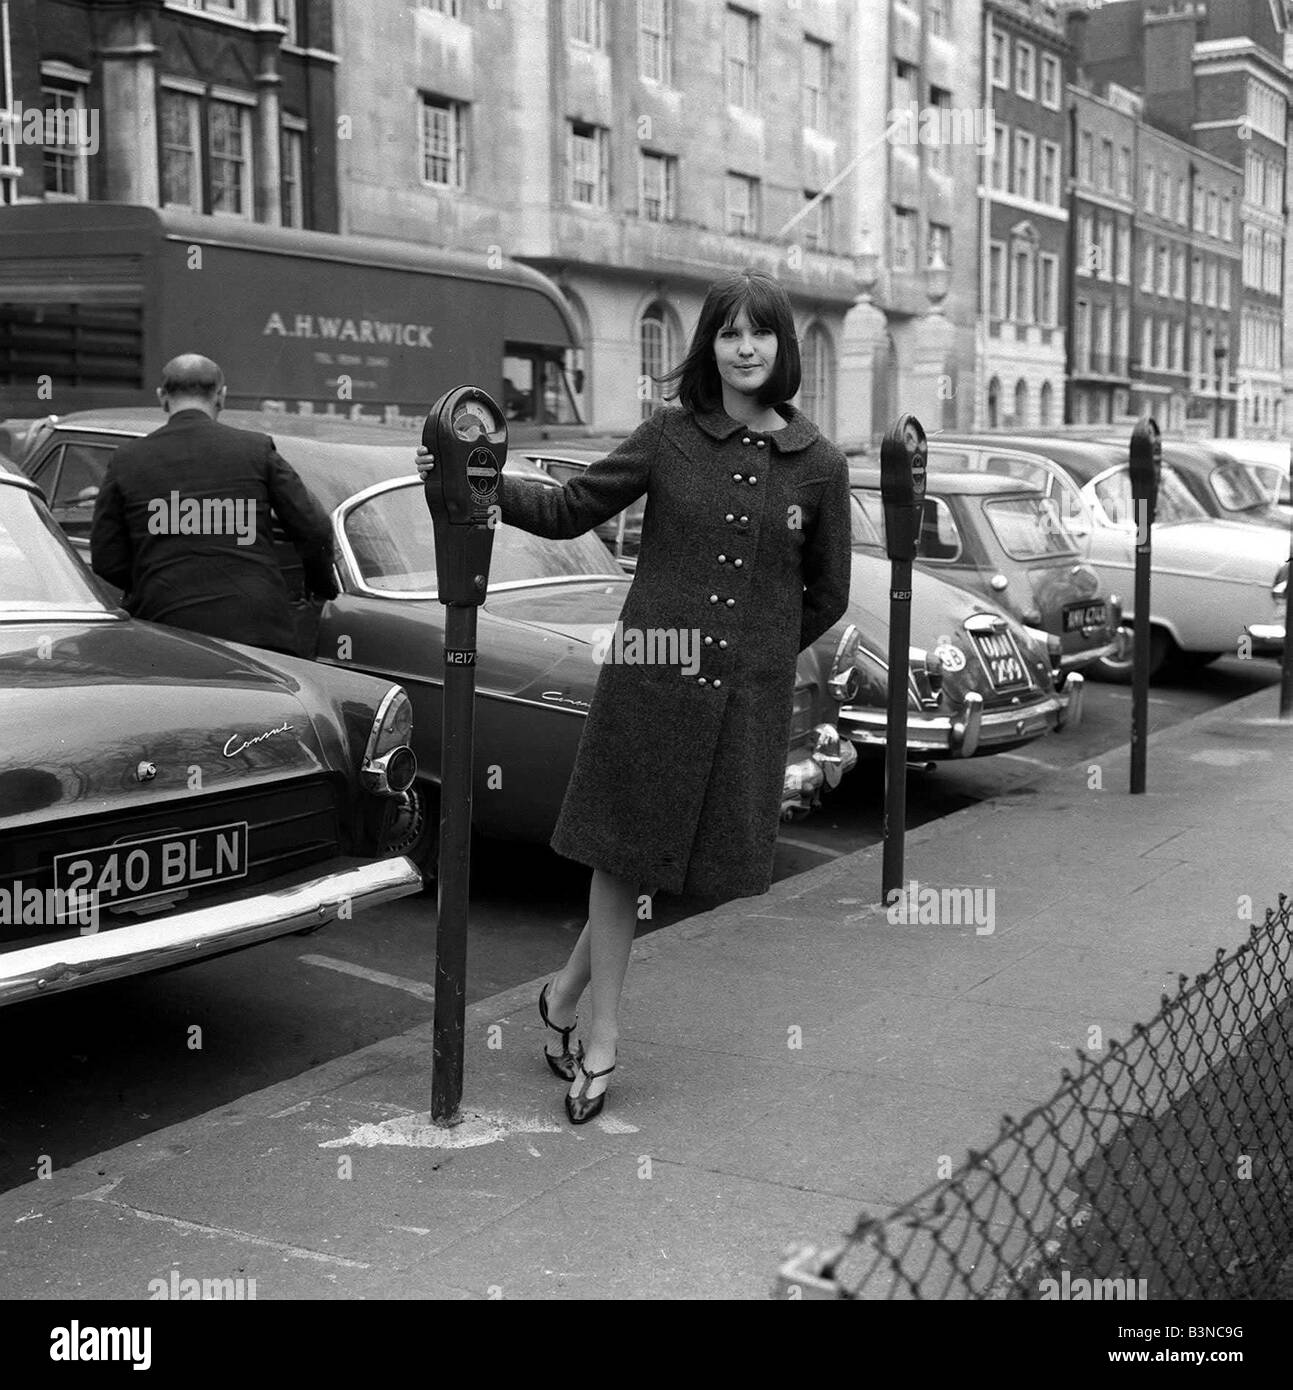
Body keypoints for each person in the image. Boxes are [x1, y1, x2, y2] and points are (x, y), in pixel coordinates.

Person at [416, 270, 852, 1123]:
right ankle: (604, 1038)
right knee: (618, 856)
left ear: (781, 347)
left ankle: (561, 995)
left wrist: (755, 658)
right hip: (649, 686)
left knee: (680, 867)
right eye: (728, 333)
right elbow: (572, 506)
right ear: (710, 347)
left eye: (759, 333)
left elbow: (826, 594)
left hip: (740, 701)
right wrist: (476, 477)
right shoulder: (669, 436)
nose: (745, 348)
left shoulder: (820, 466)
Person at [90, 354, 337, 656]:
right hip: (258, 628)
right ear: (221, 395)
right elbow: (314, 528)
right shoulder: (256, 449)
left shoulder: (127, 458)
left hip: (166, 629)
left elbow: (106, 558)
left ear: (161, 397)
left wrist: (152, 580)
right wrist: (319, 587)